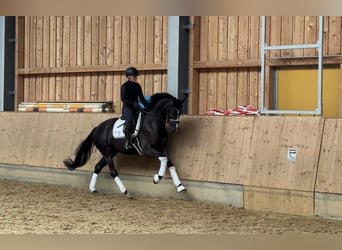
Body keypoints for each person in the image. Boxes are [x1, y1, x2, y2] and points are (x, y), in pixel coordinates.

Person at [121, 67, 149, 149]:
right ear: (128, 76)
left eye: (136, 76)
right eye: (134, 76)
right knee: (130, 120)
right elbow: (123, 99)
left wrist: (148, 107)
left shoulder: (137, 86)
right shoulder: (124, 86)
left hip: (136, 107)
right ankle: (127, 141)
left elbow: (142, 98)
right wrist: (133, 104)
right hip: (128, 108)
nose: (135, 77)